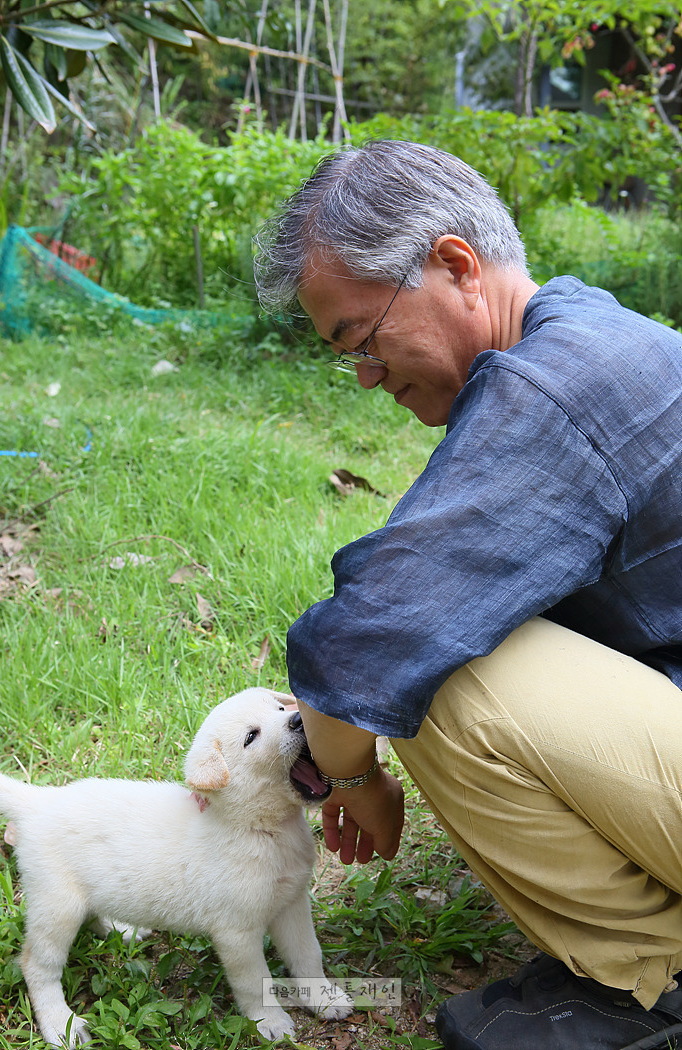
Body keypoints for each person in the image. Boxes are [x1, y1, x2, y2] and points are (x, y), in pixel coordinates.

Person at [252, 139, 682, 1050]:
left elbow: (374, 634)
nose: (367, 378)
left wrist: (351, 775)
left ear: (455, 265)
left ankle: (656, 977)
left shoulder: (554, 387)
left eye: (360, 339)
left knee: (451, 672)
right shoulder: (589, 327)